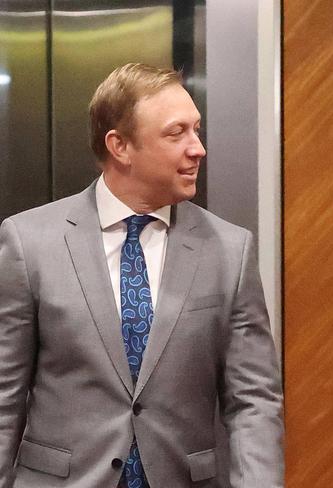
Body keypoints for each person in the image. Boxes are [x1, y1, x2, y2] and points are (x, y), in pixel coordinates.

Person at [0, 63, 284, 487]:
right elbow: (4, 398)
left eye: (197, 129)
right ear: (120, 146)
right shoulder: (29, 243)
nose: (198, 148)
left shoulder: (230, 250)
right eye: (177, 133)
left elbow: (253, 402)